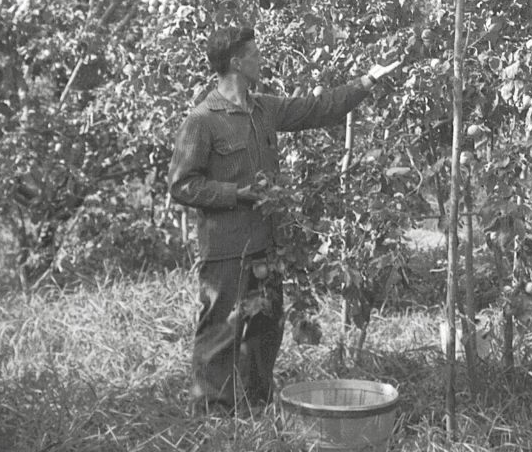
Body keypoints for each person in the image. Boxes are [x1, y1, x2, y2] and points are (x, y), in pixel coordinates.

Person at [167, 25, 397, 414]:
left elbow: (315, 108)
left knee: (264, 329)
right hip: (225, 248)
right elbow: (181, 185)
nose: (261, 59)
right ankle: (213, 415)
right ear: (236, 62)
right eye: (254, 54)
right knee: (221, 330)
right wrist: (234, 194)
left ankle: (255, 406)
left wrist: (366, 81)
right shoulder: (203, 120)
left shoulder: (264, 109)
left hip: (265, 245)